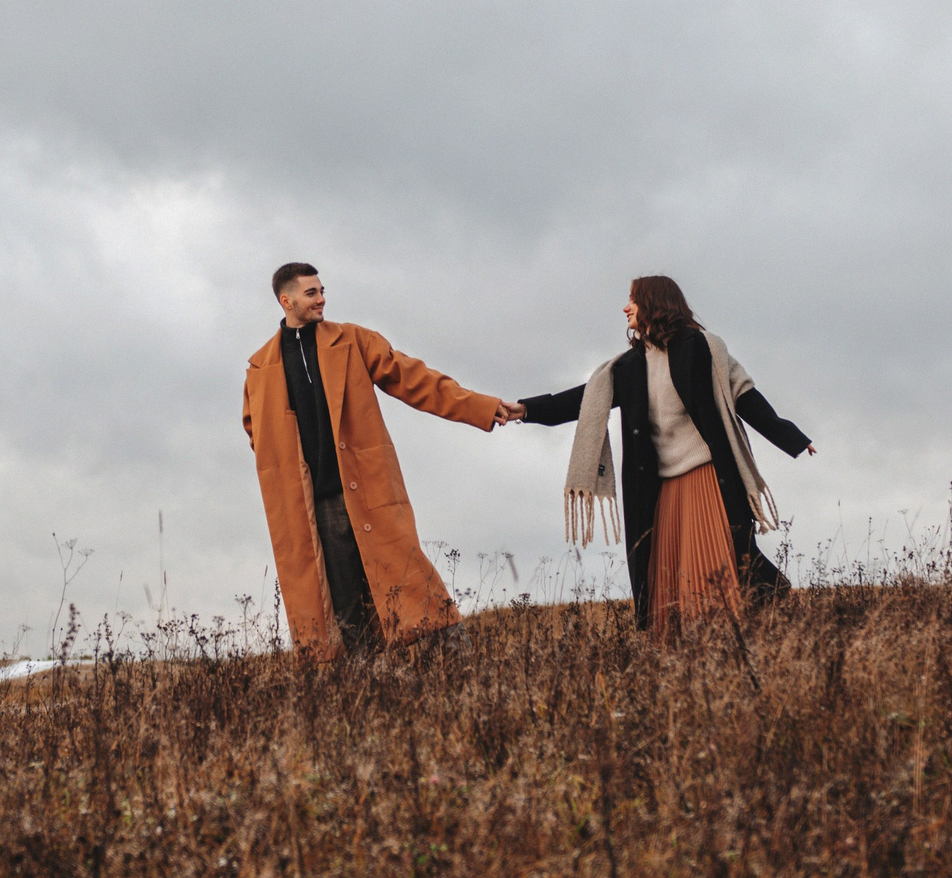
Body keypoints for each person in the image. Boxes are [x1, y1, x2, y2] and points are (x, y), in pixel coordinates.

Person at [244, 263, 523, 658]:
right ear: (285, 301)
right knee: (343, 609)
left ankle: (461, 666)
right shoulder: (260, 369)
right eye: (311, 293)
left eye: (322, 290)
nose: (322, 298)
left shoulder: (354, 340)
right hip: (311, 508)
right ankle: (370, 693)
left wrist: (481, 406)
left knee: (412, 583)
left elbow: (415, 379)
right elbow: (255, 429)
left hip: (368, 489)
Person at [516, 275, 815, 635]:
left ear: (655, 302)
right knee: (664, 580)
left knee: (724, 564)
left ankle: (773, 623)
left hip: (709, 476)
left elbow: (744, 395)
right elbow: (578, 401)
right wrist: (524, 410)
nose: (625, 307)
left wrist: (790, 436)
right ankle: (690, 654)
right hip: (662, 488)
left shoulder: (702, 347)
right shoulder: (627, 368)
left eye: (633, 299)